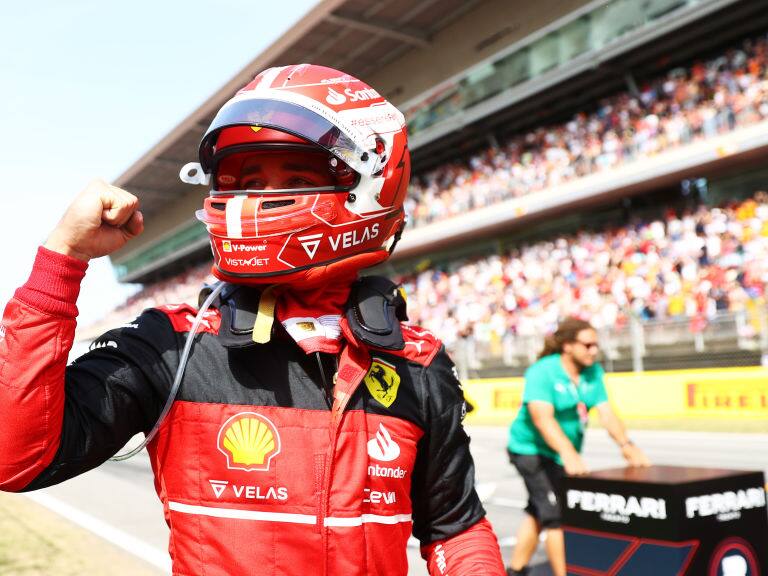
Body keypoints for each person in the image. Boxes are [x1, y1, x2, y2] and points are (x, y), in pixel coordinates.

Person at [0, 64, 506, 576]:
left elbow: (456, 528)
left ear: (372, 181)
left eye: (296, 178)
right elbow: (12, 458)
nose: (261, 201)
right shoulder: (173, 345)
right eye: (248, 182)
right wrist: (61, 260)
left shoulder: (417, 360)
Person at [505, 317, 650, 576]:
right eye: (588, 345)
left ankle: (515, 570)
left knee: (539, 509)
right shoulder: (542, 371)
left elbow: (606, 413)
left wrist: (627, 445)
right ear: (568, 346)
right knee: (556, 515)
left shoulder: (592, 372)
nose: (594, 350)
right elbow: (542, 418)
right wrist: (568, 452)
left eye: (596, 345)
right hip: (529, 450)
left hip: (558, 452)